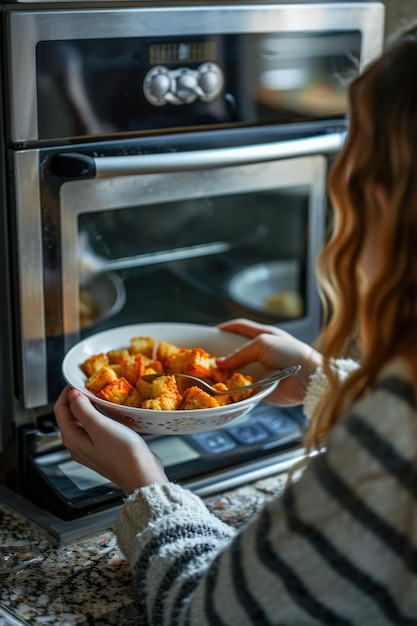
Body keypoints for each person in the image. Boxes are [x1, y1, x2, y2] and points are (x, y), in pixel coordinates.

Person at [55, 25, 417, 625]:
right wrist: (322, 377)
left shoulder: (387, 460)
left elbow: (207, 611)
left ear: (381, 204)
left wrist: (145, 484)